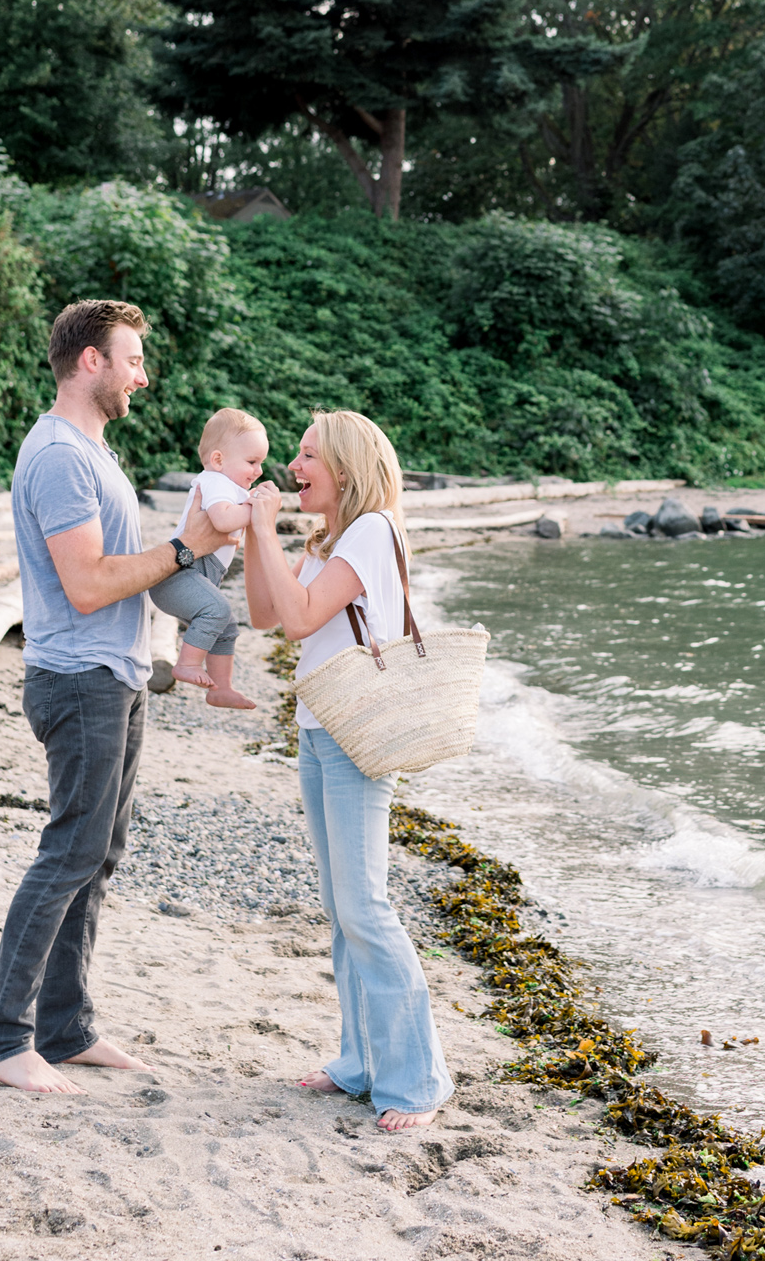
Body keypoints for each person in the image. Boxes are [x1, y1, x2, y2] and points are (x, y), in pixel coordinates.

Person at [0, 298, 221, 1095]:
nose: (144, 376)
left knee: (97, 856)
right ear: (90, 362)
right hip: (78, 679)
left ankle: (64, 1029)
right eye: (133, 360)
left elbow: (122, 570)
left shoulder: (95, 452)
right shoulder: (58, 457)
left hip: (116, 675)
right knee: (69, 853)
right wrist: (187, 548)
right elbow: (86, 584)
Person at [243, 409, 453, 1132]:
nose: (294, 466)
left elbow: (301, 619)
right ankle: (362, 1061)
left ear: (346, 468)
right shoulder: (333, 537)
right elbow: (267, 612)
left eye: (308, 455)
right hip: (319, 730)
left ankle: (417, 1079)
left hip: (358, 739)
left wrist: (269, 529)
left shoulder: (371, 529)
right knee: (342, 908)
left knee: (365, 907)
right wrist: (256, 531)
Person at [150, 406, 264, 708]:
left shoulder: (231, 486)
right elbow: (224, 521)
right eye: (252, 462)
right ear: (218, 460)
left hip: (199, 576)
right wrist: (257, 507)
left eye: (261, 462)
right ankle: (185, 665)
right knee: (218, 609)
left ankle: (221, 688)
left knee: (226, 624)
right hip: (179, 575)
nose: (259, 470)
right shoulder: (215, 482)